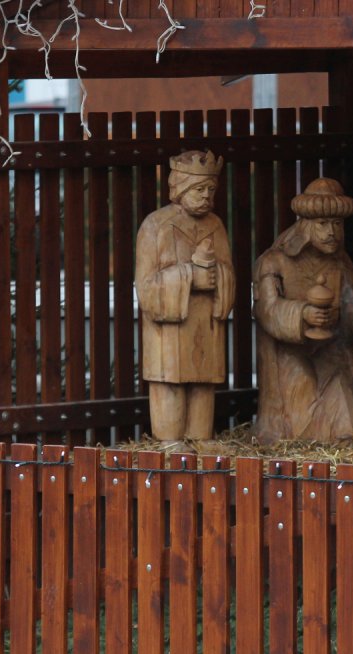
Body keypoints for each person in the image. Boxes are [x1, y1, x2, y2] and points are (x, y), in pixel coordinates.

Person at [253, 177, 353, 443]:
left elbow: (351, 306)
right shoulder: (274, 262)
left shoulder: (340, 263)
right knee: (301, 385)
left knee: (343, 387)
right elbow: (267, 311)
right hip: (289, 352)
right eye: (323, 224)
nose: (331, 232)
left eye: (337, 224)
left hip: (330, 350)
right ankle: (299, 446)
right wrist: (302, 314)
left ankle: (344, 447)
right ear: (306, 225)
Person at [135, 150, 235, 445]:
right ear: (179, 188)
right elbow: (146, 287)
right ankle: (169, 443)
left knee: (203, 385)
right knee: (170, 384)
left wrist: (219, 277)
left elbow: (228, 272)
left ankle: (200, 440)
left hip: (205, 327)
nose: (206, 196)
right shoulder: (155, 226)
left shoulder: (216, 226)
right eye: (199, 189)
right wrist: (190, 276)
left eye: (211, 190)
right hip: (169, 332)